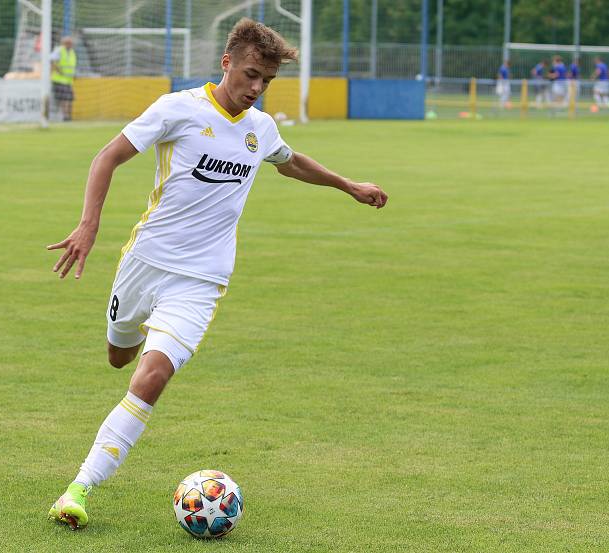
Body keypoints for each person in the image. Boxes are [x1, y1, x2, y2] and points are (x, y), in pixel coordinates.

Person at [45, 18, 388, 530]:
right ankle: (137, 334)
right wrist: (88, 226)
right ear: (226, 62)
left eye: (266, 81)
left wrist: (348, 185)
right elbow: (107, 157)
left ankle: (79, 488)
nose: (256, 89)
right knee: (120, 357)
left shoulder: (260, 128)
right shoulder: (177, 109)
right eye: (250, 75)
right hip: (145, 262)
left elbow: (290, 162)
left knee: (154, 374)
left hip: (201, 279)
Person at [50, 36, 77, 121]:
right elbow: (51, 60)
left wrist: (74, 74)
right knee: (64, 98)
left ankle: (69, 116)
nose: (70, 45)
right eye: (68, 43)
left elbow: (71, 65)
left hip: (69, 80)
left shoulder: (72, 52)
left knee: (70, 99)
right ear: (64, 43)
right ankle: (65, 117)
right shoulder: (59, 50)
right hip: (59, 79)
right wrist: (58, 70)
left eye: (71, 43)